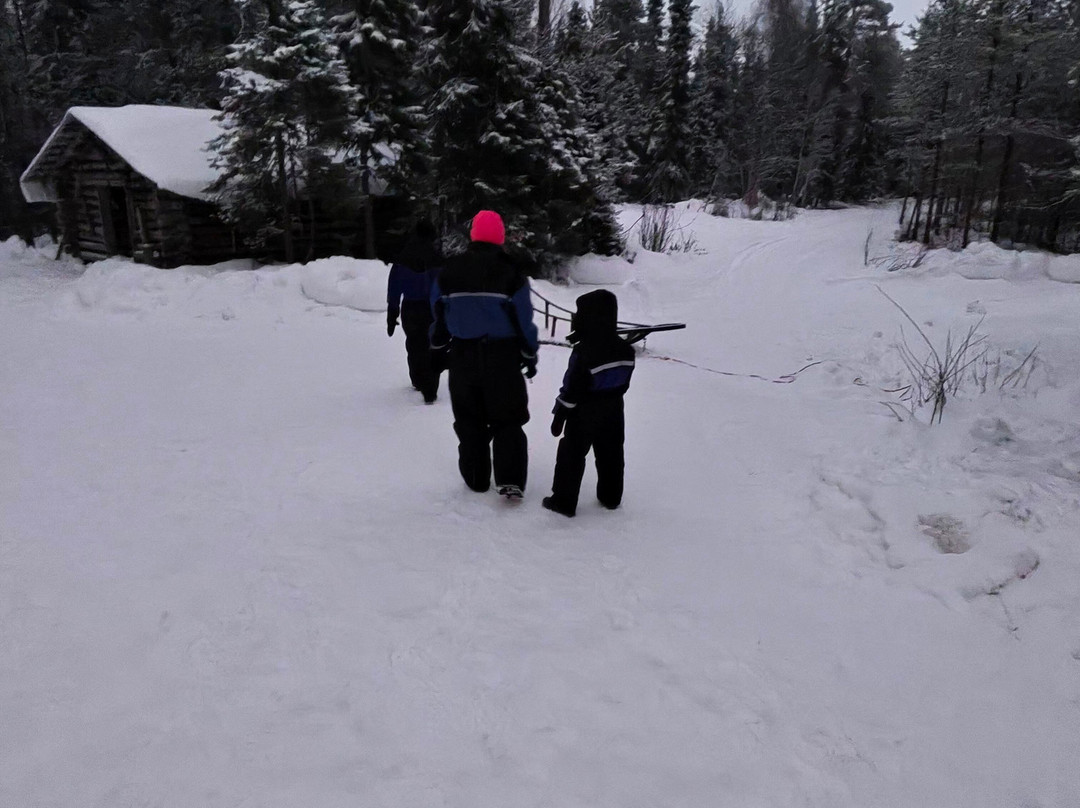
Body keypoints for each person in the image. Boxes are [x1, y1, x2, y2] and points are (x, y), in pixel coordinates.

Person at [429, 210, 539, 499]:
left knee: (469, 419)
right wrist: (529, 353)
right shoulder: (511, 272)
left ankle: (476, 477)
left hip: (462, 355)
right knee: (508, 418)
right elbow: (523, 318)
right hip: (502, 356)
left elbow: (438, 312)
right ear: (500, 236)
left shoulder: (449, 271)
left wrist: (437, 345)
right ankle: (510, 479)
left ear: (474, 235)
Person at [542, 289, 635, 517]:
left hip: (583, 411)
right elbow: (624, 383)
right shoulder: (626, 349)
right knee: (612, 453)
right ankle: (611, 497)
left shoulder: (584, 351)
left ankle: (563, 502)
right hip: (615, 409)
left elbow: (572, 387)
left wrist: (560, 414)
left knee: (571, 454)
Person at [387, 219, 444, 403]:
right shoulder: (435, 257)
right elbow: (441, 286)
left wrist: (392, 311)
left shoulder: (403, 257)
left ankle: (417, 379)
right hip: (430, 308)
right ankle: (429, 383)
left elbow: (394, 286)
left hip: (409, 307)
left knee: (413, 343)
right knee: (430, 345)